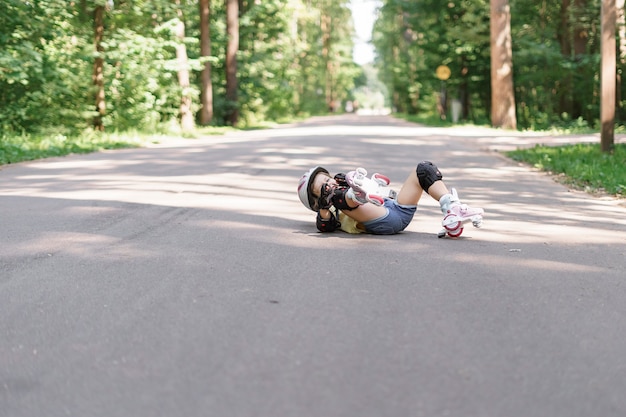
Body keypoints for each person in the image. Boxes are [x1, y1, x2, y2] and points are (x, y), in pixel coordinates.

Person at [297, 161, 484, 237]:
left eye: (328, 179)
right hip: (383, 221)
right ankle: (357, 196)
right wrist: (324, 205)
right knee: (340, 198)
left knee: (423, 169)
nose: (330, 183)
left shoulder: (341, 183)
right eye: (323, 186)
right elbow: (324, 225)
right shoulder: (330, 208)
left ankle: (452, 208)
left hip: (398, 209)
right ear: (316, 200)